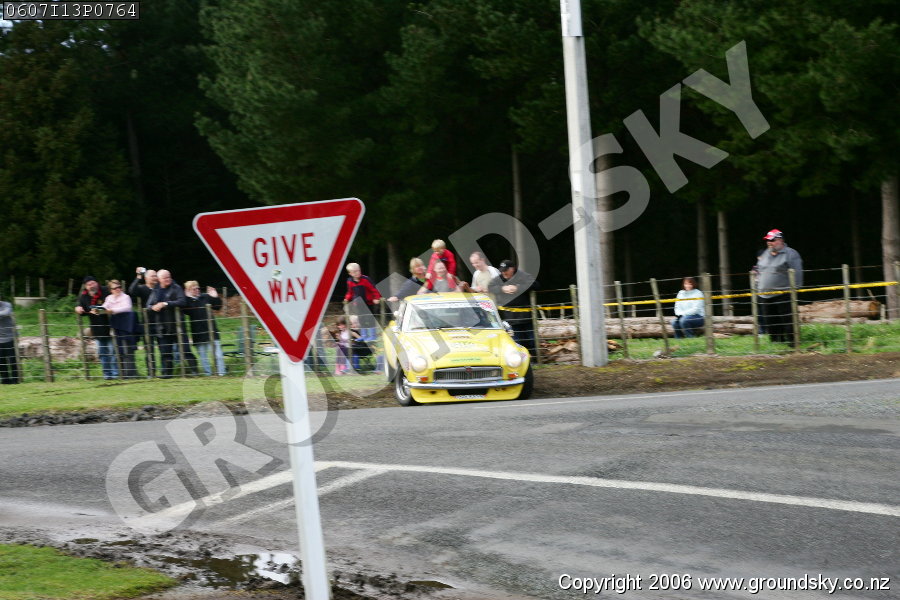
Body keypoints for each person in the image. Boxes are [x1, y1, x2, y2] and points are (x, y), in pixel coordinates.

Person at [755, 229, 803, 345]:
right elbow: (758, 269)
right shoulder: (766, 253)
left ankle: (793, 343)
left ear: (780, 240)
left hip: (784, 293)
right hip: (765, 295)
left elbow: (797, 273)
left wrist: (795, 289)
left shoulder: (791, 254)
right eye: (768, 240)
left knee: (788, 320)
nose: (769, 243)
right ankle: (776, 343)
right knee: (770, 321)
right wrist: (757, 286)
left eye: (772, 240)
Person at [149, 269, 197, 377]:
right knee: (165, 352)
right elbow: (148, 305)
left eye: (169, 276)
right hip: (162, 327)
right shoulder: (156, 290)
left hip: (177, 326)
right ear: (159, 279)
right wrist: (153, 307)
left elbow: (182, 302)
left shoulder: (176, 288)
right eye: (165, 277)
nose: (168, 279)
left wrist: (165, 304)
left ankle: (195, 372)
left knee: (185, 350)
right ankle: (167, 374)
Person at [488, 259, 539, 357]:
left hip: (526, 316)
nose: (504, 273)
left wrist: (518, 288)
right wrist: (502, 288)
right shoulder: (499, 279)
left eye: (506, 270)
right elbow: (490, 287)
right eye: (502, 271)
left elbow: (536, 285)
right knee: (517, 341)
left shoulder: (522, 276)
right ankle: (520, 360)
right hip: (510, 317)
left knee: (532, 340)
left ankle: (536, 359)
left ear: (512, 269)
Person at [75, 276, 118, 380]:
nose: (91, 286)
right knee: (102, 353)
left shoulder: (106, 291)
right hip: (97, 329)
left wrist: (102, 310)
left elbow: (115, 302)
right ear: (86, 287)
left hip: (111, 327)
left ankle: (116, 374)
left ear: (97, 283)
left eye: (93, 283)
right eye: (88, 284)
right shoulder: (84, 296)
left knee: (113, 352)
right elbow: (81, 308)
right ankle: (107, 375)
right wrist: (78, 309)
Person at [183, 280, 226, 377]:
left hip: (211, 331)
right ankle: (208, 374)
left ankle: (221, 373)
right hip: (198, 333)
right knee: (203, 356)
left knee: (218, 355)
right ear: (188, 290)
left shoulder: (205, 297)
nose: (197, 290)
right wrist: (188, 298)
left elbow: (217, 306)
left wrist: (215, 297)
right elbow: (186, 310)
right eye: (194, 289)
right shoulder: (187, 302)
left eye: (198, 288)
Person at [99, 279, 140, 378]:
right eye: (115, 288)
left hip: (127, 326)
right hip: (116, 326)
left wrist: (112, 310)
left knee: (127, 350)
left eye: (119, 287)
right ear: (111, 290)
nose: (118, 289)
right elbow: (104, 307)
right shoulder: (109, 298)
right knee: (119, 350)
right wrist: (97, 309)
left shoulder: (126, 297)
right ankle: (122, 374)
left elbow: (127, 308)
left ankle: (130, 374)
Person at [128, 267, 159, 372]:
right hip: (147, 324)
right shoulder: (142, 289)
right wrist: (138, 277)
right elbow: (131, 291)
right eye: (152, 276)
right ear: (146, 278)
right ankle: (151, 372)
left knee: (164, 348)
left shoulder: (160, 287)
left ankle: (166, 372)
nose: (155, 277)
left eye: (155, 275)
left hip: (161, 322)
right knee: (149, 350)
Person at [343, 263, 381, 340]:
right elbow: (350, 292)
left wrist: (377, 298)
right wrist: (347, 298)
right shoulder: (350, 281)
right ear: (350, 273)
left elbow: (373, 289)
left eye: (358, 270)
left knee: (370, 318)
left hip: (368, 303)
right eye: (354, 272)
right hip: (358, 303)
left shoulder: (365, 279)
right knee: (361, 319)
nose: (357, 273)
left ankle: (373, 335)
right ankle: (364, 335)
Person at [0, 300, 20, 384]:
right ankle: (5, 380)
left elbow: (6, 312)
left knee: (12, 360)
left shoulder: (7, 305)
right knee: (1, 362)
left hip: (10, 338)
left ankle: (15, 380)